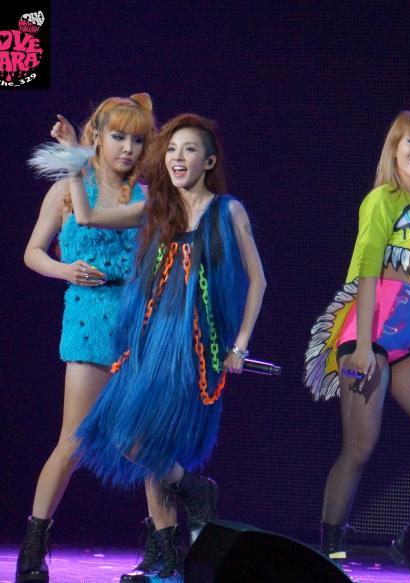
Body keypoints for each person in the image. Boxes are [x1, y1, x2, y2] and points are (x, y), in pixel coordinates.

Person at [61, 113, 265, 580]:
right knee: (126, 435)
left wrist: (240, 345)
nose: (177, 157)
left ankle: (168, 556)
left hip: (194, 349)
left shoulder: (227, 211)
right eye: (172, 149)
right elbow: (88, 216)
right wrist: (74, 158)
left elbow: (258, 281)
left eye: (189, 149)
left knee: (153, 441)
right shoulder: (157, 208)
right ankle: (189, 496)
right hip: (149, 341)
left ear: (208, 161)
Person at [303, 110, 410, 583]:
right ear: (394, 148)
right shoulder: (382, 199)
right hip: (366, 336)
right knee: (359, 448)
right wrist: (364, 346)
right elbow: (367, 269)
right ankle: (330, 552)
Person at [18, 94, 154, 583]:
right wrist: (65, 270)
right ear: (97, 136)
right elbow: (33, 252)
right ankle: (33, 549)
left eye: (137, 140)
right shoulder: (65, 190)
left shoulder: (145, 196)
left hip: (135, 319)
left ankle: (164, 550)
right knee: (73, 441)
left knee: (144, 441)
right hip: (87, 316)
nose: (128, 148)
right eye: (119, 137)